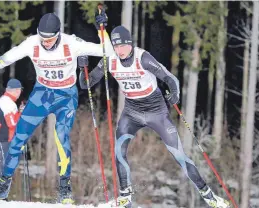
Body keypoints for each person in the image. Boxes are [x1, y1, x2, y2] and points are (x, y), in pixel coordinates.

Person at [77, 26, 230, 208]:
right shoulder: (109, 60)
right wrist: (82, 69)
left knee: (179, 155)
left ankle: (209, 196)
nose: (120, 51)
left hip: (156, 112)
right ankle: (125, 197)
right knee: (119, 150)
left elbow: (170, 78)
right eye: (117, 47)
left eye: (124, 46)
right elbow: (86, 84)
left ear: (131, 44)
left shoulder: (143, 58)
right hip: (131, 113)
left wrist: (174, 94)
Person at [0, 10, 112, 204]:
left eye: (50, 39)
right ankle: (2, 186)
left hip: (65, 96)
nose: (45, 42)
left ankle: (65, 190)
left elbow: (107, 51)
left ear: (58, 35)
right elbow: (7, 58)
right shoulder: (32, 43)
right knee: (18, 137)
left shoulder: (71, 43)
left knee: (61, 137)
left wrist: (101, 30)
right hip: (42, 95)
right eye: (42, 38)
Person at [0, 79, 25, 181]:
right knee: (4, 168)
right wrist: (21, 114)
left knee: (7, 168)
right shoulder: (7, 102)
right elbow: (12, 124)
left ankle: (2, 193)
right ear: (15, 90)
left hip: (6, 139)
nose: (20, 93)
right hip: (1, 139)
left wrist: (19, 113)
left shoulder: (9, 102)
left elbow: (13, 121)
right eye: (19, 90)